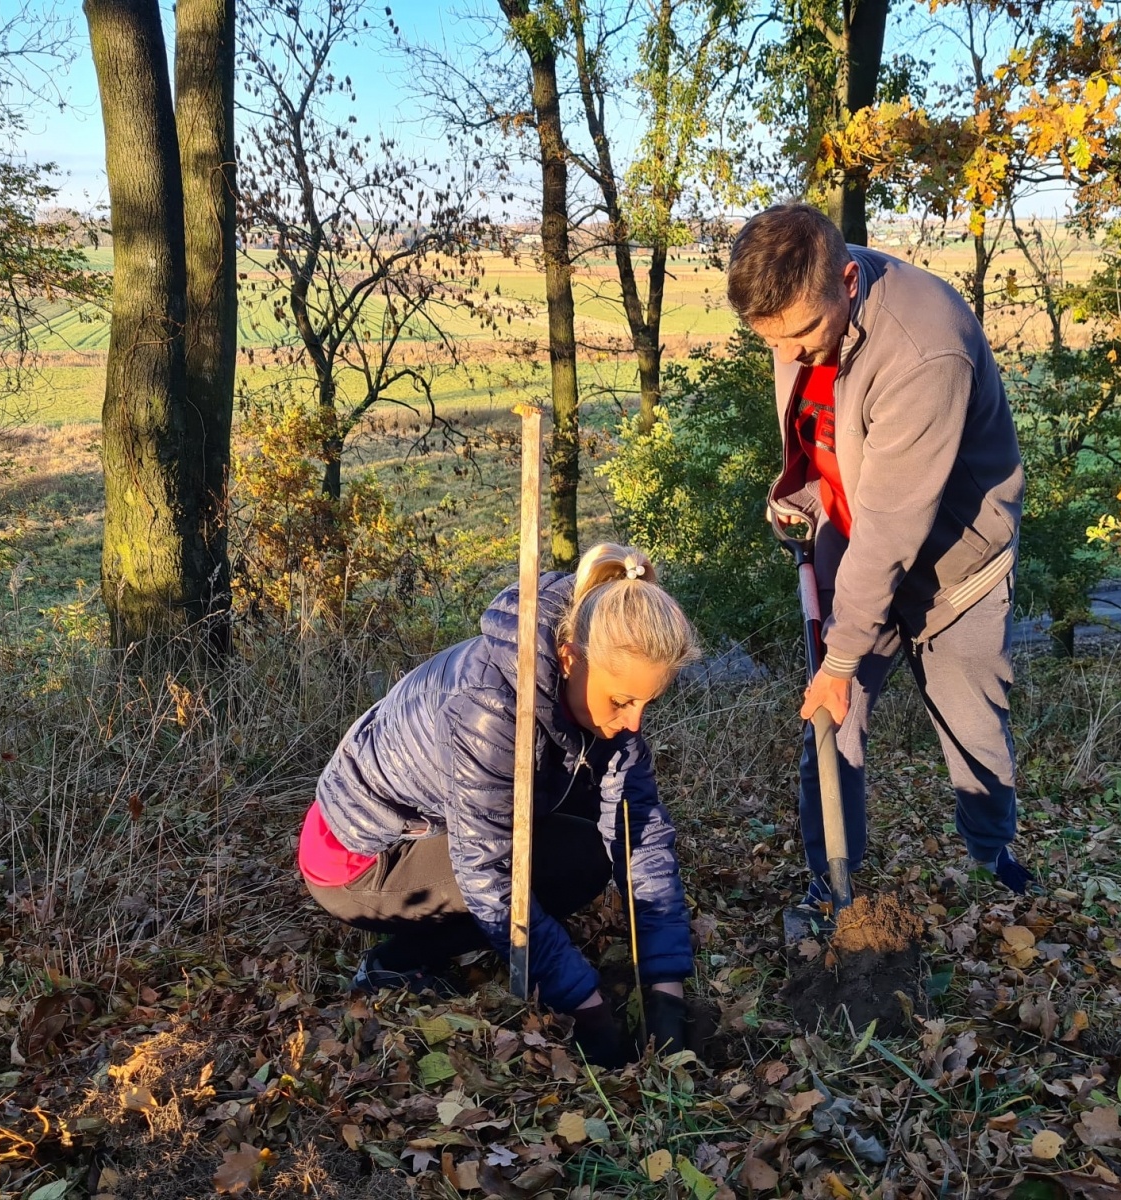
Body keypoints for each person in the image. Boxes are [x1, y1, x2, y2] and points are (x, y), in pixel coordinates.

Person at [726, 203, 1034, 906]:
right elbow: (827, 435)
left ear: (846, 281)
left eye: (801, 335)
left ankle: (992, 861)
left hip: (955, 572)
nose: (789, 354)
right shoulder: (800, 312)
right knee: (828, 728)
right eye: (771, 341)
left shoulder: (926, 348)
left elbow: (895, 526)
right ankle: (830, 885)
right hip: (855, 555)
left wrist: (841, 660)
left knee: (974, 731)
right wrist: (803, 498)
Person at [297, 543, 700, 1067]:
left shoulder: (594, 689)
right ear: (570, 658)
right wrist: (587, 1006)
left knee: (590, 849)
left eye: (648, 702)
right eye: (622, 700)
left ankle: (451, 943)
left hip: (439, 828)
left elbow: (638, 834)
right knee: (569, 864)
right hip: (358, 857)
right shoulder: (489, 710)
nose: (634, 722)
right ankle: (395, 962)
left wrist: (666, 989)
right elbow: (488, 877)